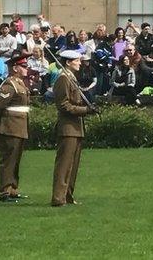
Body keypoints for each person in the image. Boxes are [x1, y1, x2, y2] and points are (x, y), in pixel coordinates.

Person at [52, 49, 98, 207]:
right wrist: (85, 110)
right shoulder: (63, 78)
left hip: (76, 127)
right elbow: (64, 105)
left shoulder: (71, 78)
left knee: (73, 165)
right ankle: (58, 197)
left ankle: (67, 195)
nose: (80, 63)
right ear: (68, 62)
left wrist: (87, 107)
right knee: (64, 164)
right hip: (68, 127)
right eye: (77, 60)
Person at [0, 52, 32, 202]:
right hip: (10, 126)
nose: (26, 68)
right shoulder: (9, 84)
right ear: (15, 68)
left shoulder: (20, 83)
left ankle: (12, 189)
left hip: (19, 126)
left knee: (16, 159)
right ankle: (3, 190)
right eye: (23, 66)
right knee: (8, 159)